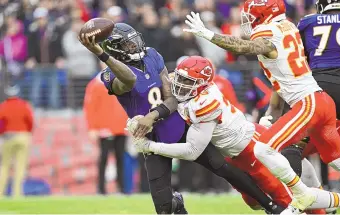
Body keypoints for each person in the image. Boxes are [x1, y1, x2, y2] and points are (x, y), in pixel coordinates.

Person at [79, 22, 287, 214]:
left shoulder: (152, 55)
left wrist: (152, 115)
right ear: (116, 49)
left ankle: (270, 205)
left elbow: (171, 98)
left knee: (224, 168)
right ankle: (176, 204)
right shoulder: (110, 75)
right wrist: (100, 53)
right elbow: (130, 79)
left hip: (178, 125)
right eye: (128, 44)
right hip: (151, 139)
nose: (135, 45)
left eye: (134, 40)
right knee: (164, 208)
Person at [182, 0, 340, 211]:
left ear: (263, 15)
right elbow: (282, 80)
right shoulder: (288, 26)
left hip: (309, 102)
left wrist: (209, 35)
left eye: (251, 16)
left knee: (264, 149)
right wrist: (271, 113)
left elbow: (246, 47)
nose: (248, 21)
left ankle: (302, 193)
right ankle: (335, 200)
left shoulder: (269, 31)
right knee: (337, 160)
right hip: (319, 100)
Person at [132, 56, 340, 214]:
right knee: (253, 202)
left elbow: (192, 150)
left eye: (187, 81)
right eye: (180, 78)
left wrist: (150, 146)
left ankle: (334, 203)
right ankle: (327, 200)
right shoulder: (193, 89)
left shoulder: (205, 103)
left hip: (252, 151)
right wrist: (146, 116)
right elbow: (170, 96)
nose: (180, 84)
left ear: (201, 85)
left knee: (289, 204)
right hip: (238, 150)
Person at [297, 0, 340, 190]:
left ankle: (294, 198)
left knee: (294, 144)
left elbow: (298, 58)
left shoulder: (308, 21)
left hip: (319, 87)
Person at [83, 71, 128, 194]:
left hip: (121, 127)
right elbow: (90, 106)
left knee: (120, 159)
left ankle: (121, 189)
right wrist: (92, 127)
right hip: (104, 128)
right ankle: (101, 189)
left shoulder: (122, 79)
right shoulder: (96, 84)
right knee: (103, 158)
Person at [0, 85, 33, 197]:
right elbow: (30, 121)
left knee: (5, 166)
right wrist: (27, 132)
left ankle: (0, 193)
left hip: (8, 137)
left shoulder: (3, 106)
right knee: (20, 166)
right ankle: (17, 194)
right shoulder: (24, 105)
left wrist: (3, 133)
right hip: (23, 136)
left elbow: (0, 123)